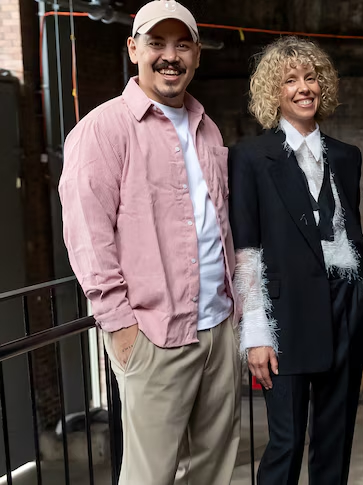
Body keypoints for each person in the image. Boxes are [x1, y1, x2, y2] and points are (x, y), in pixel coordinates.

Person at [59, 1, 240, 483]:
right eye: (157, 43)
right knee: (149, 476)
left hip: (218, 328)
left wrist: (235, 315)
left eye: (182, 45)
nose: (170, 56)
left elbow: (217, 223)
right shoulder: (102, 130)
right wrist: (120, 326)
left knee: (214, 471)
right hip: (154, 334)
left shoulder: (207, 128)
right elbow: (88, 236)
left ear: (197, 55)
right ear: (133, 48)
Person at [229, 36, 363, 485]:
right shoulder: (249, 157)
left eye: (311, 77)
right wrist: (256, 333)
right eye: (290, 80)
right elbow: (247, 250)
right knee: (286, 442)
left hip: (346, 304)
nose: (303, 88)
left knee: (334, 444)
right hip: (285, 314)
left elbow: (354, 231)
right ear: (273, 92)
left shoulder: (347, 156)